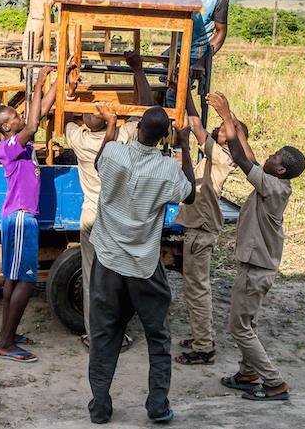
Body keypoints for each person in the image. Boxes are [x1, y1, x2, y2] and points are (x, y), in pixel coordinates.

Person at [87, 105, 196, 424]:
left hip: (108, 260)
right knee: (158, 337)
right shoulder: (168, 170)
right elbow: (189, 194)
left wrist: (112, 126)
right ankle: (157, 406)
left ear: (137, 129)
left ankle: (100, 407)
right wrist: (185, 145)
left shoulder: (113, 154)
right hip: (144, 265)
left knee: (104, 335)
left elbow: (98, 162)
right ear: (165, 136)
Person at [206, 92, 305, 402]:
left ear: (281, 170)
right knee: (248, 322)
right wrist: (233, 121)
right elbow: (249, 155)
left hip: (256, 269)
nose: (269, 157)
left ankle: (274, 383)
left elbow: (241, 158)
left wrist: (226, 116)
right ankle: (247, 374)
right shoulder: (274, 181)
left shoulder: (272, 187)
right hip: (259, 267)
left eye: (275, 156)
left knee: (239, 328)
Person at [64, 51, 154, 349]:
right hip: (119, 218)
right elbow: (146, 110)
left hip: (92, 215)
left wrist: (70, 87)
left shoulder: (78, 139)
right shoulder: (124, 137)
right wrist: (137, 70)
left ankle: (94, 334)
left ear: (85, 122)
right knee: (119, 278)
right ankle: (117, 333)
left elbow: (65, 113)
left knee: (92, 277)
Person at [0, 64, 66, 363]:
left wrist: (60, 77)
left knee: (12, 279)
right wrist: (37, 83)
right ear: (6, 127)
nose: (20, 116)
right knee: (26, 281)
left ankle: (7, 335)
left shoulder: (21, 144)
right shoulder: (8, 147)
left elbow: (40, 111)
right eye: (15, 116)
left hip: (17, 217)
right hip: (21, 217)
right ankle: (6, 344)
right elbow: (33, 124)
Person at [172, 84, 243, 365]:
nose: (220, 129)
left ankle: (204, 348)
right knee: (197, 288)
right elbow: (198, 124)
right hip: (200, 230)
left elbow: (197, 126)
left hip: (200, 232)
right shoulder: (215, 156)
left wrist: (187, 95)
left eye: (226, 130)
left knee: (197, 290)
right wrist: (186, 93)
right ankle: (203, 338)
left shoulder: (222, 157)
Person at [165, 0, 229, 108]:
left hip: (196, 49)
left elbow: (221, 32)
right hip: (175, 45)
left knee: (175, 91)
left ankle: (180, 122)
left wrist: (202, 61)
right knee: (154, 77)